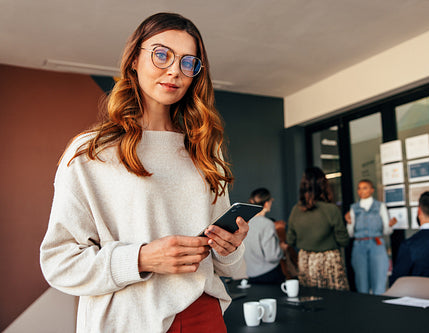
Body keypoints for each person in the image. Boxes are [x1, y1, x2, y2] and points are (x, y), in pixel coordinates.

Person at [40, 13, 248, 333]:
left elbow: (224, 263)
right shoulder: (90, 152)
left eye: (188, 62)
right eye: (161, 54)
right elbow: (59, 263)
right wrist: (141, 259)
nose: (174, 71)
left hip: (204, 312)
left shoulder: (206, 149)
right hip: (130, 321)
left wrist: (230, 247)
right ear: (134, 59)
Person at [286, 167, 350, 290]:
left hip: (306, 262)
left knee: (310, 301)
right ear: (324, 185)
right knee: (335, 301)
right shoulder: (331, 210)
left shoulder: (296, 210)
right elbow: (344, 241)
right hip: (329, 262)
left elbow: (290, 240)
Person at [345, 179, 397, 295]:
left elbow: (386, 231)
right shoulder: (354, 208)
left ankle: (379, 308)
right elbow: (351, 234)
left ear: (372, 190)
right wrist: (349, 222)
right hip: (359, 245)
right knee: (361, 281)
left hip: (376, 243)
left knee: (379, 280)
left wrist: (390, 226)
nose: (361, 191)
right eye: (359, 188)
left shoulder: (380, 206)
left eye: (365, 187)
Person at [243, 188, 286, 284]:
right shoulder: (267, 224)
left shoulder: (245, 224)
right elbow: (272, 256)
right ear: (266, 204)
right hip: (270, 276)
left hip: (251, 276)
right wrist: (282, 249)